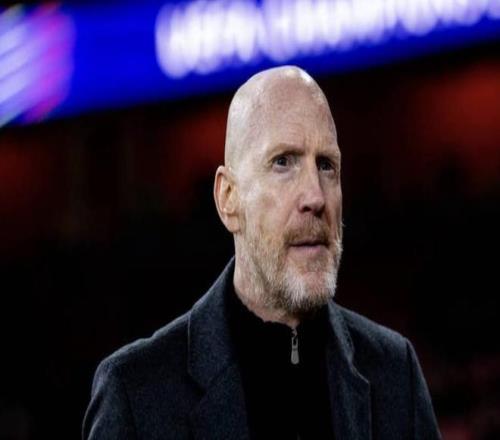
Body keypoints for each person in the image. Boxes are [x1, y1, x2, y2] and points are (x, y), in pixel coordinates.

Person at [83, 66, 441, 439]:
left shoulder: (395, 371)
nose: (316, 197)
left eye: (326, 165)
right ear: (228, 199)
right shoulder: (136, 394)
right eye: (283, 162)